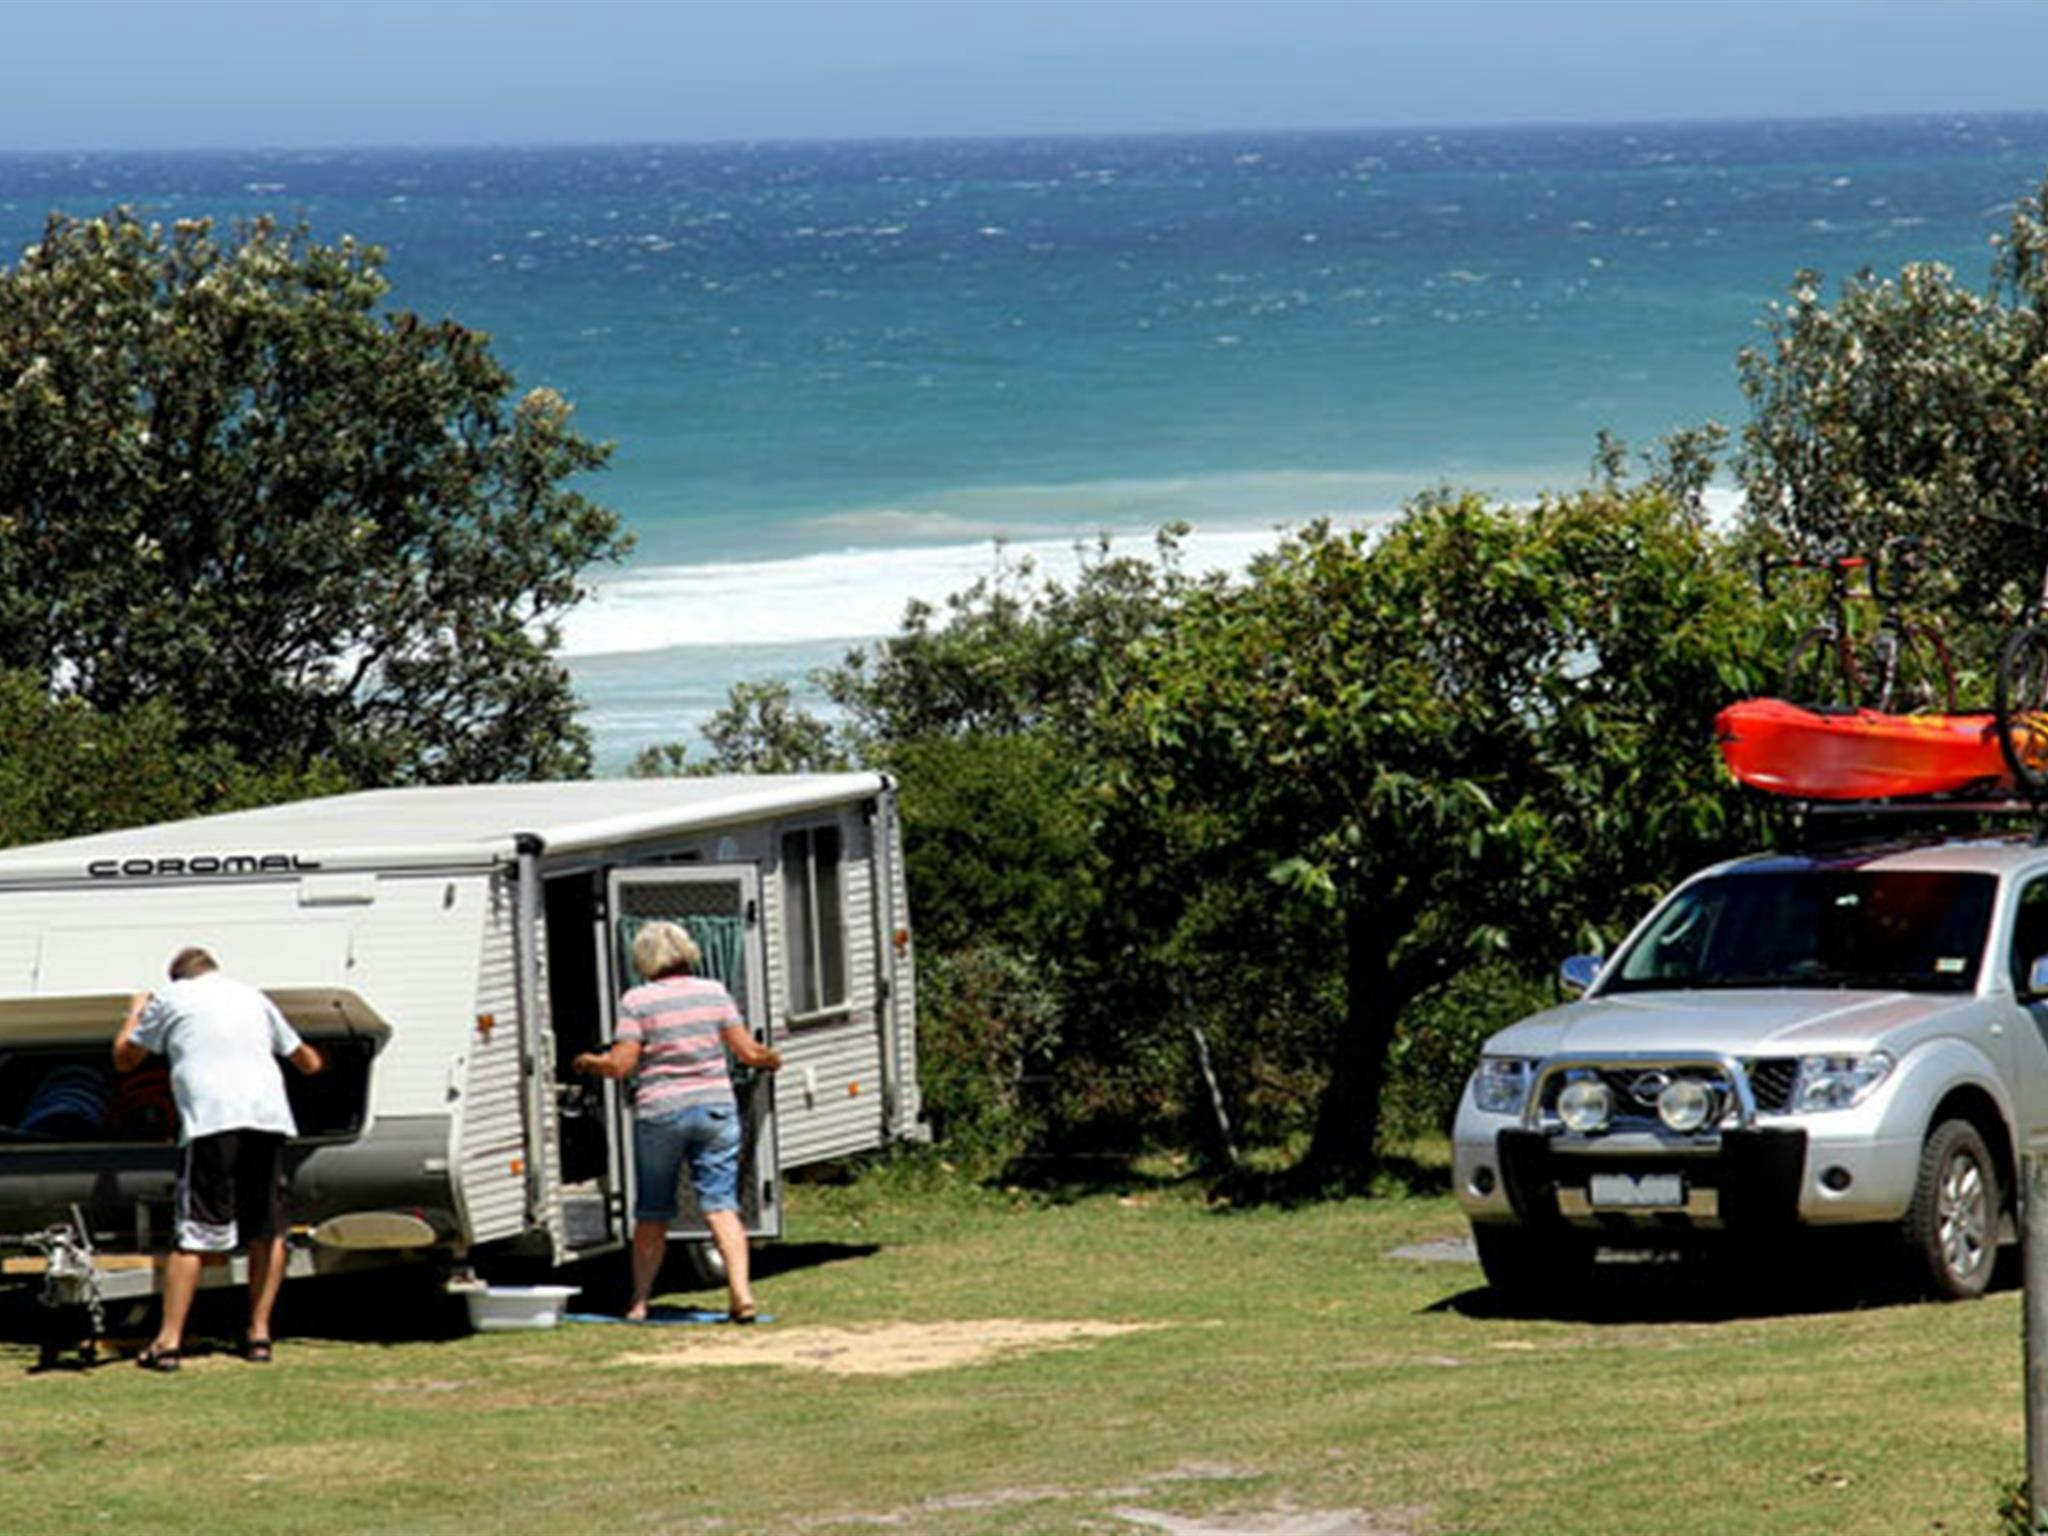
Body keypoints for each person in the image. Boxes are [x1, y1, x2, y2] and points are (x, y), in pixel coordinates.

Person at [113, 946, 324, 1371]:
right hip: (267, 1119)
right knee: (268, 1229)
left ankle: (168, 1342)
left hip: (212, 1121)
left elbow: (124, 1059)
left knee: (193, 1233)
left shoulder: (171, 998)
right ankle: (259, 1335)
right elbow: (309, 1063)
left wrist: (135, 1011)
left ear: (177, 978)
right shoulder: (253, 996)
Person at [573, 920, 782, 1322]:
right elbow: (748, 1053)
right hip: (715, 1109)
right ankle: (741, 1294)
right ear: (687, 951)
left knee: (653, 1211)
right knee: (721, 1205)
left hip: (662, 1111)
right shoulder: (714, 992)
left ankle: (639, 1302)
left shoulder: (638, 1001)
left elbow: (621, 1066)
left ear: (645, 960)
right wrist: (771, 1059)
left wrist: (588, 1062)